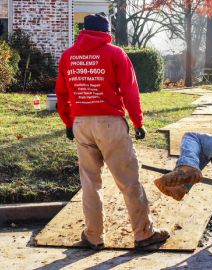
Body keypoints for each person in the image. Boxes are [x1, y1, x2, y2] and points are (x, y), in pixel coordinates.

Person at [56, 13, 169, 251]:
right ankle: (143, 234)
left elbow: (62, 94)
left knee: (90, 183)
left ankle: (93, 236)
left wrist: (68, 123)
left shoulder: (68, 56)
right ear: (107, 31)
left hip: (81, 124)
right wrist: (138, 122)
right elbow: (130, 91)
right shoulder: (115, 53)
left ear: (84, 30)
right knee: (128, 181)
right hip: (110, 124)